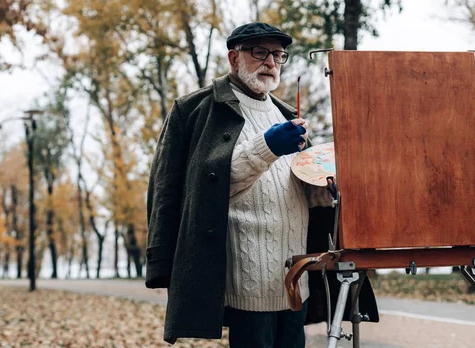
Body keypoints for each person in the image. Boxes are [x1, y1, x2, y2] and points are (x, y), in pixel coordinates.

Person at [146, 22, 377, 347]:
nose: (270, 62)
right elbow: (197, 191)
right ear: (233, 57)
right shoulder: (196, 109)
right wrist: (266, 147)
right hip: (247, 282)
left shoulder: (287, 116)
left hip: (297, 276)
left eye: (278, 55)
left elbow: (301, 191)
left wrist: (328, 189)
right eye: (260, 52)